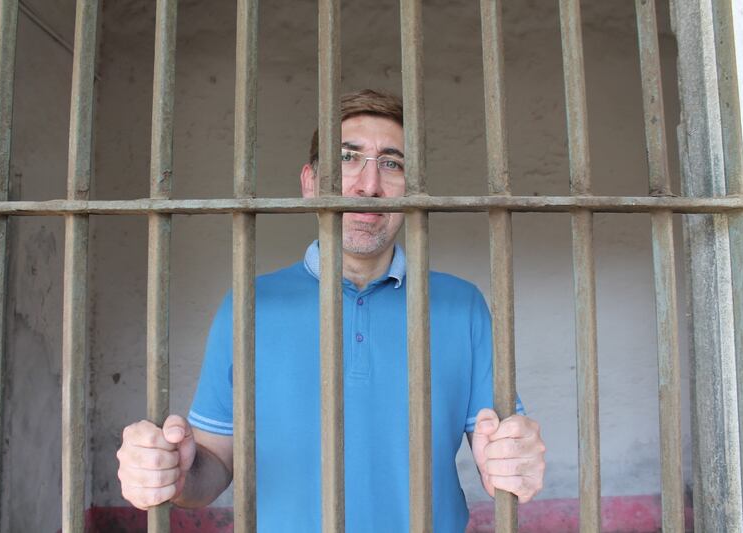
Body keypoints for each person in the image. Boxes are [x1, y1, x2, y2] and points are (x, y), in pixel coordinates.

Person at [117, 90, 546, 531]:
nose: (369, 185)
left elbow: (497, 450)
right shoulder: (249, 305)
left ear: (411, 189)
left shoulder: (462, 305)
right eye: (347, 158)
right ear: (309, 183)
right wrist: (174, 472)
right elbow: (215, 463)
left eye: (392, 163)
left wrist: (515, 458)